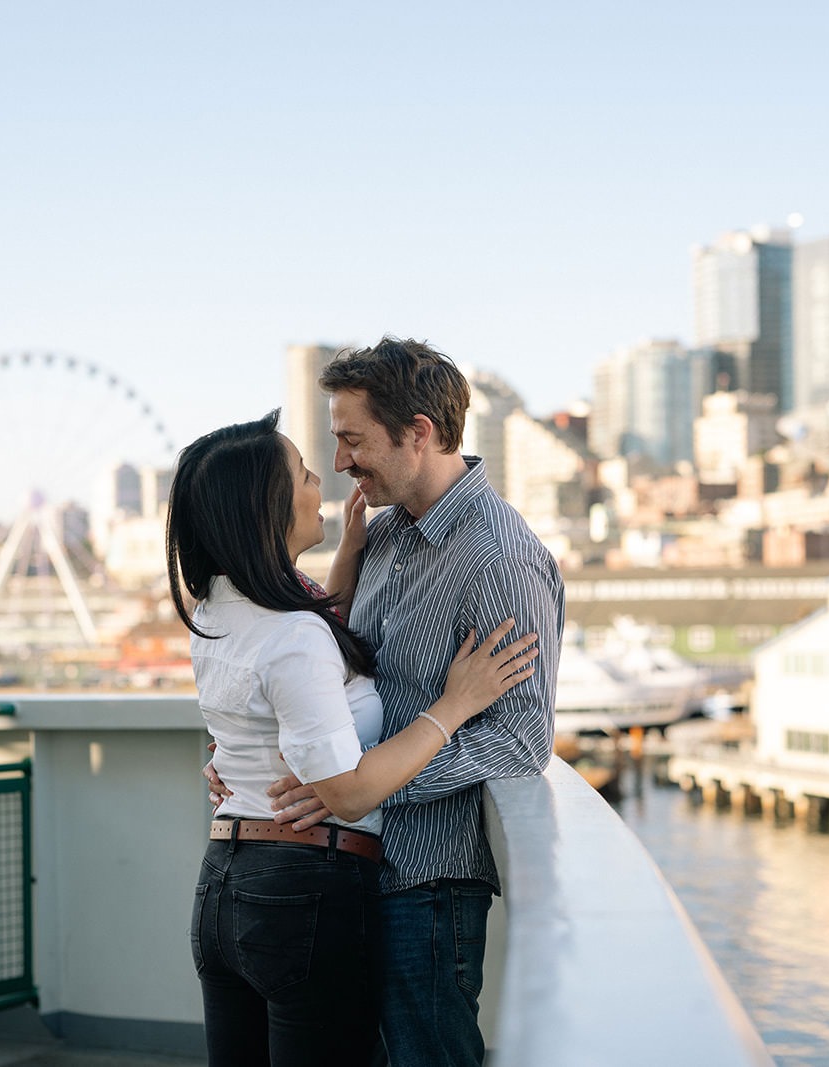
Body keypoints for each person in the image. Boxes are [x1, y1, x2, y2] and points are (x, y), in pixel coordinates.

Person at [167, 409, 539, 1067]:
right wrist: (455, 704)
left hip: (224, 884)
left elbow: (294, 668)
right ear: (266, 507)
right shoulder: (293, 637)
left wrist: (348, 555)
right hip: (300, 891)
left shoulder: (217, 609)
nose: (326, 478)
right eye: (306, 472)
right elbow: (346, 790)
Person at [247, 337, 566, 1067]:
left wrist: (361, 787)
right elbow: (331, 672)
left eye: (353, 439)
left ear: (418, 432)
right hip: (359, 864)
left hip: (428, 885)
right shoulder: (383, 535)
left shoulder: (501, 560)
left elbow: (522, 740)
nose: (340, 463)